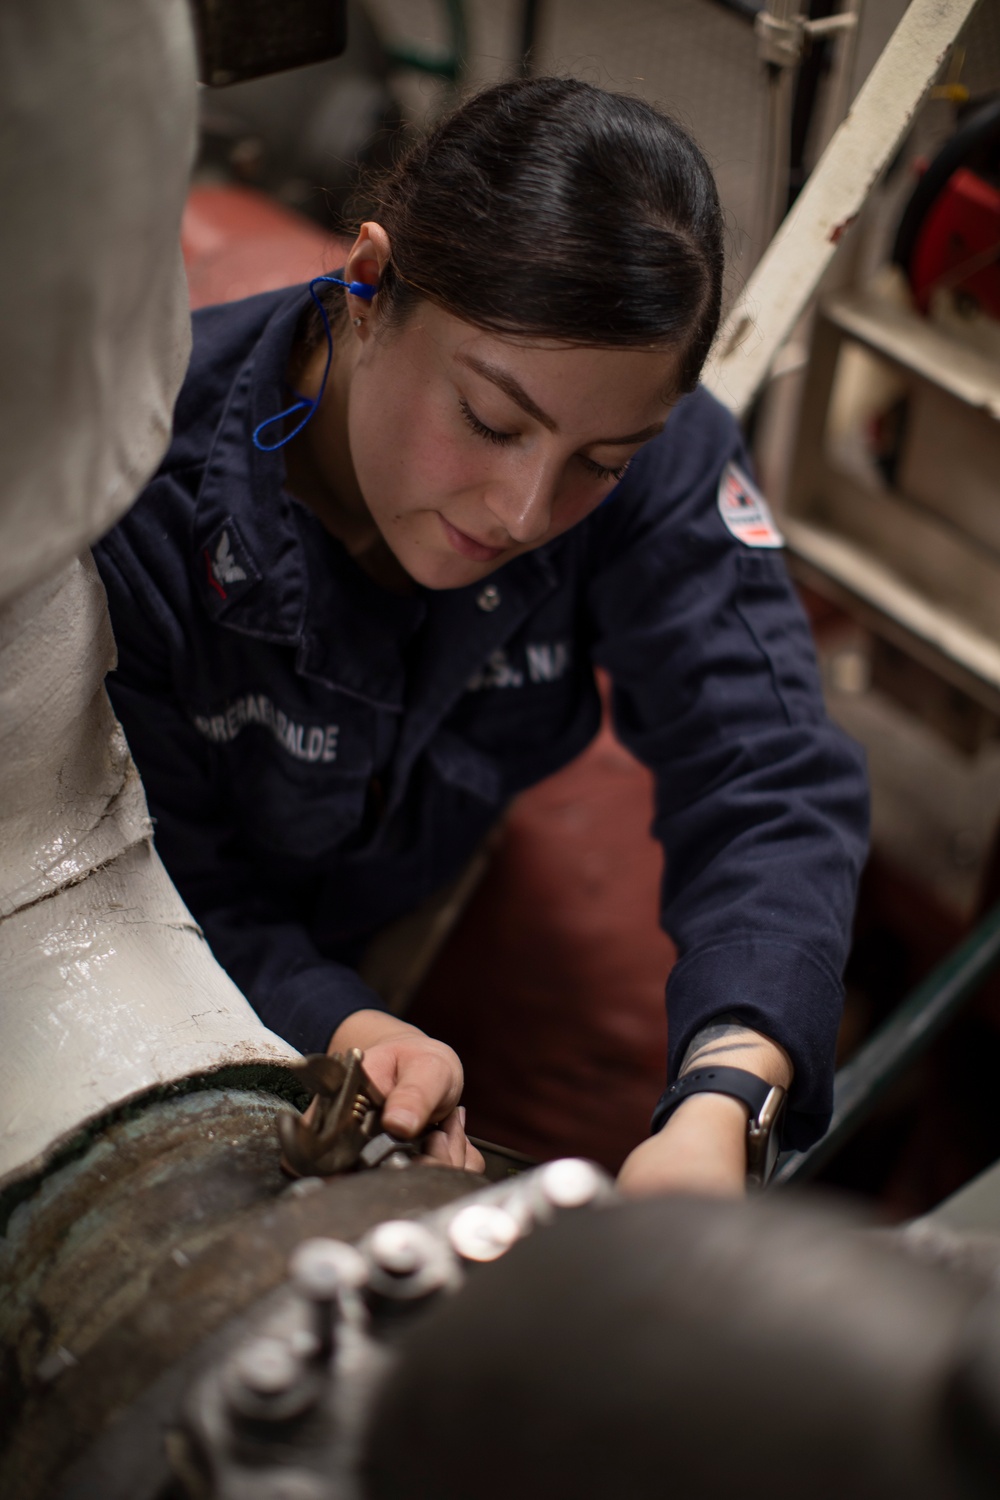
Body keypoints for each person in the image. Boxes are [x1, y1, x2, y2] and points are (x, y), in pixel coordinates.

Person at [93, 77, 867, 1195]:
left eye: (598, 464)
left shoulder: (660, 454)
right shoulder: (130, 502)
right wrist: (343, 1024)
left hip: (414, 887)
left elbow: (766, 765)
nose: (522, 512)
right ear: (367, 284)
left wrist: (727, 1097)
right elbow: (134, 877)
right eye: (491, 422)